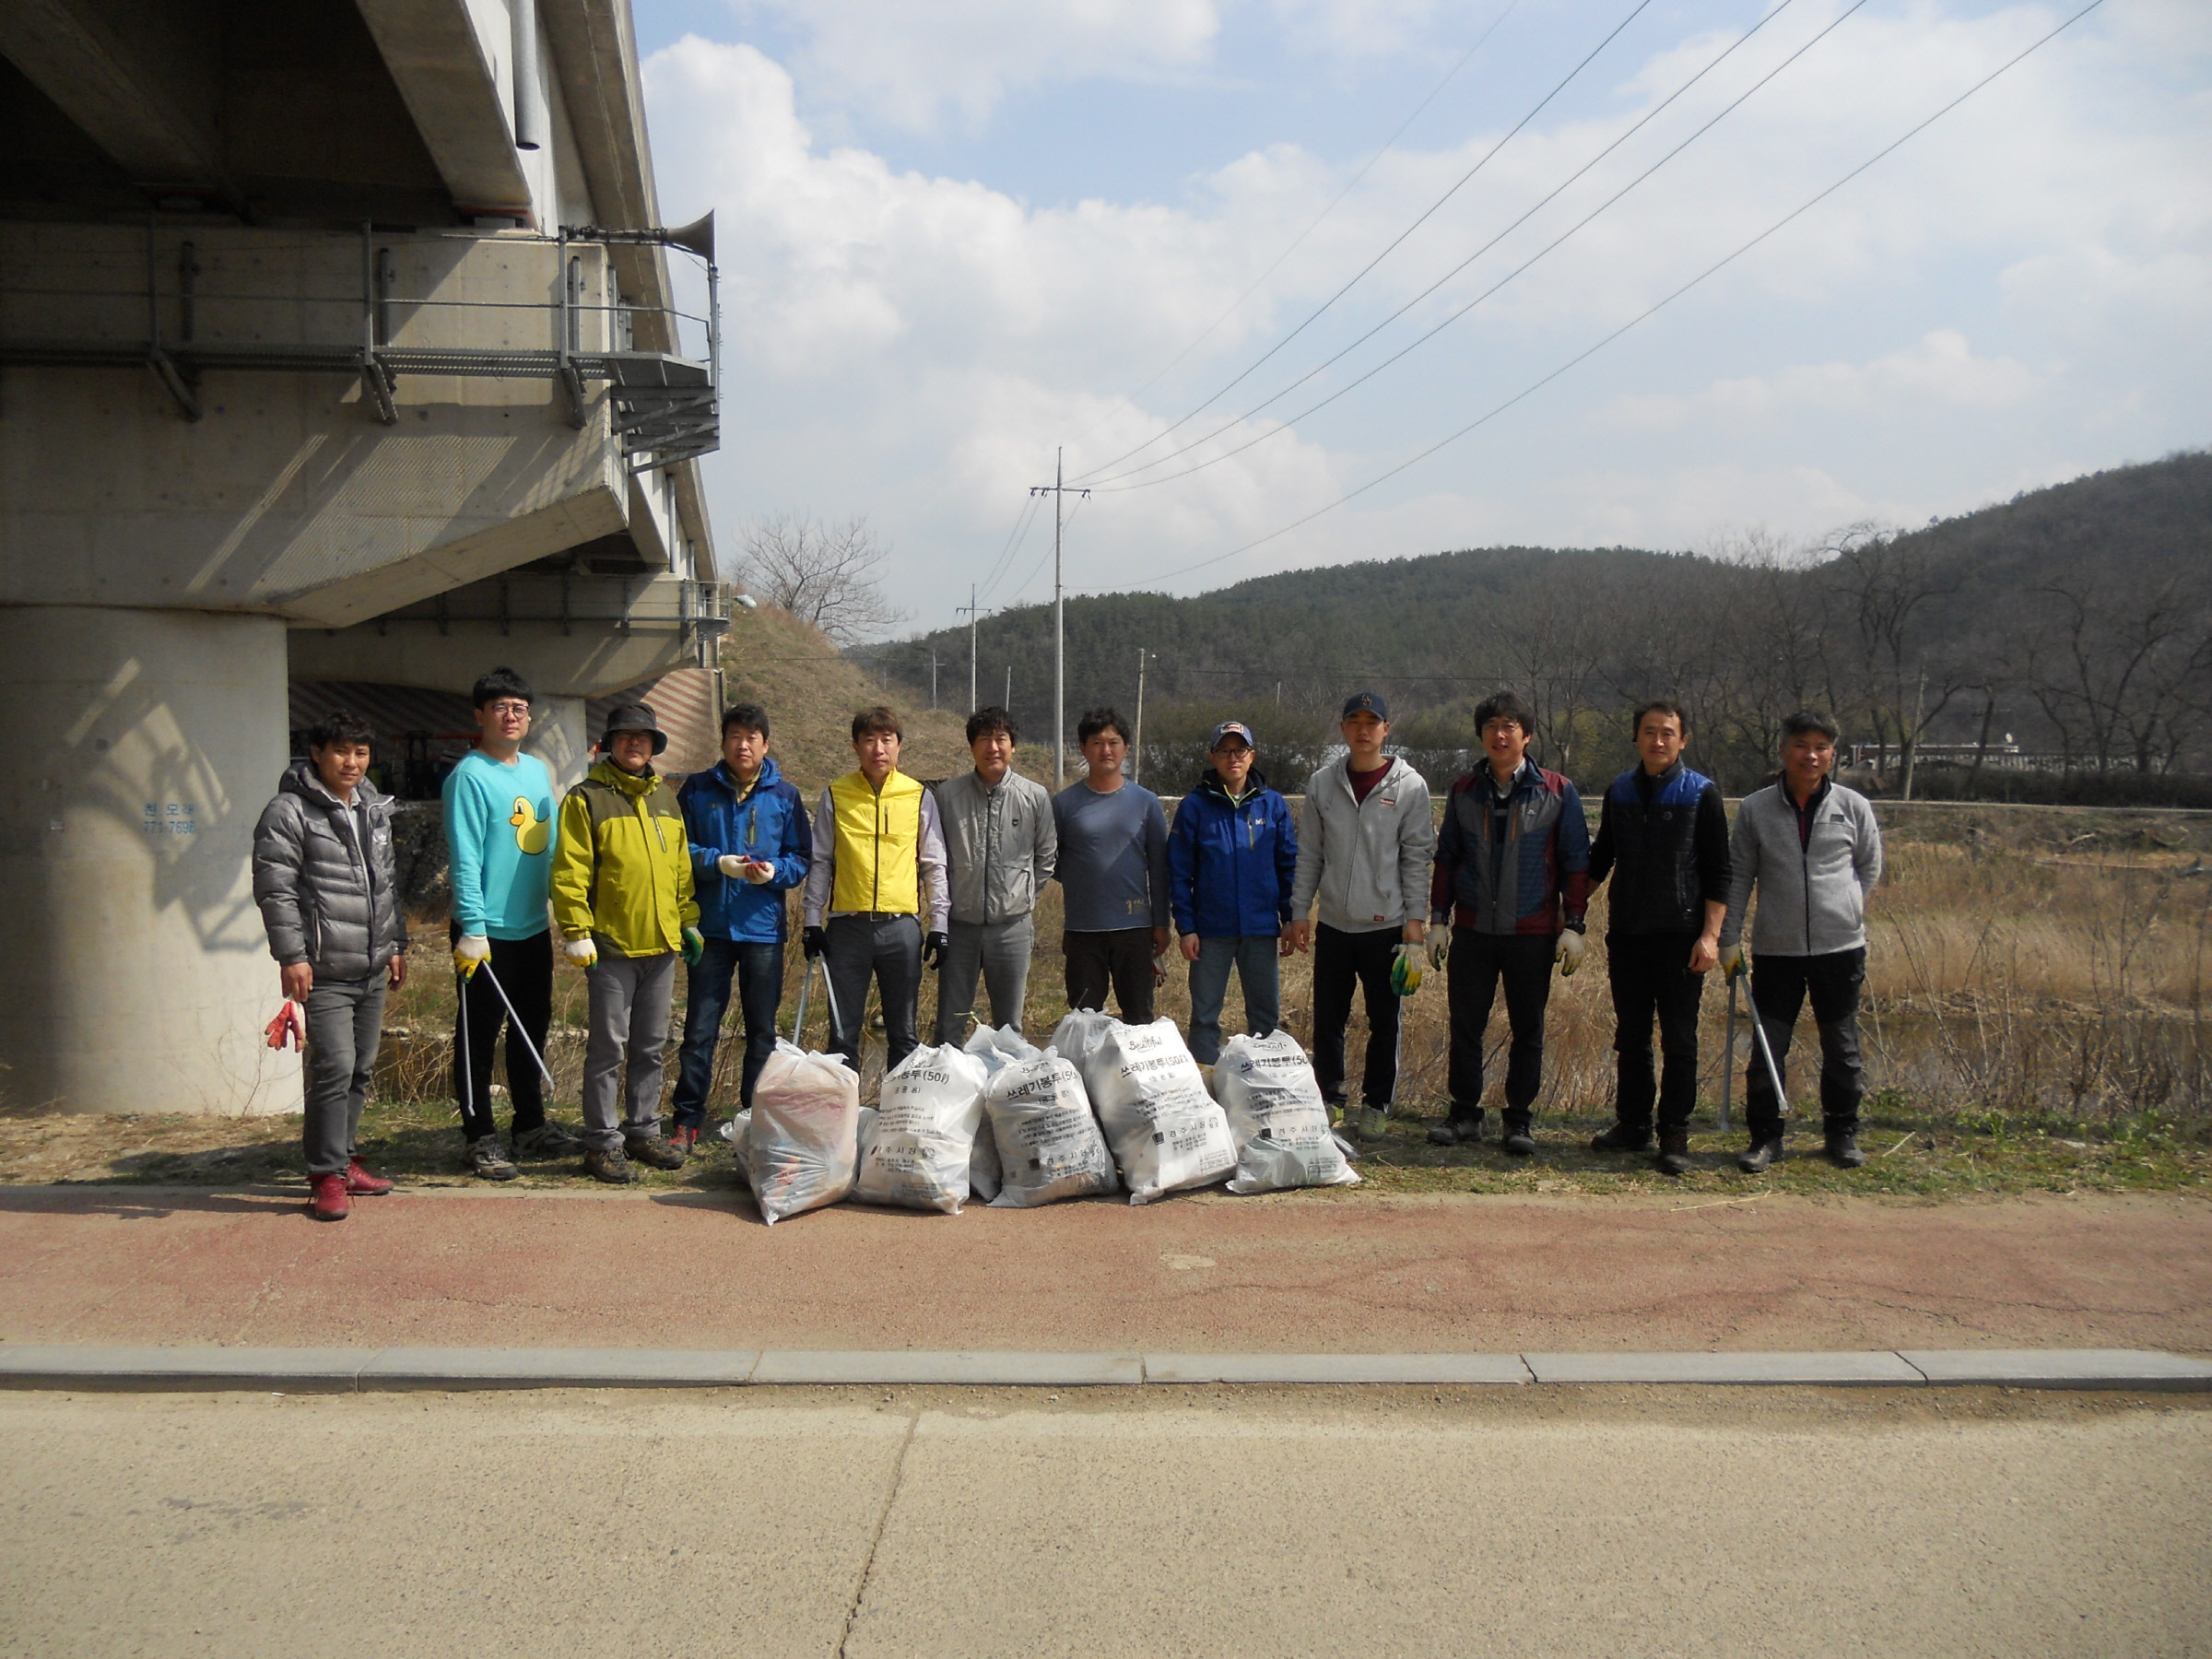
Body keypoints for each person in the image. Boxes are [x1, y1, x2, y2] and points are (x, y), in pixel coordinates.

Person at [252, 710, 408, 1221]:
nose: (352, 762)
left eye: (361, 753)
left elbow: (385, 883)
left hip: (371, 962)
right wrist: (291, 956)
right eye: (341, 751)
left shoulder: (373, 807)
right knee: (333, 1068)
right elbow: (275, 890)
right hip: (324, 968)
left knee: (361, 1068)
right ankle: (324, 1175)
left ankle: (343, 1162)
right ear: (317, 753)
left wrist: (397, 943)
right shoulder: (290, 811)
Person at [1426, 690, 1590, 1157]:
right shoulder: (1463, 791)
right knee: (1465, 1025)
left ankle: (1519, 1119)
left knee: (1528, 1028)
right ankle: (1464, 1114)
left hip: (1532, 932)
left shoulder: (1557, 791)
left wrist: (1574, 924)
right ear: (1481, 735)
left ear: (1527, 735)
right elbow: (1447, 858)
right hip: (1474, 930)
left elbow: (1576, 861)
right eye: (1492, 726)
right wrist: (1439, 920)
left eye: (1509, 726)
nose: (1500, 735)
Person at [1718, 710, 1884, 1172]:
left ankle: (1841, 1133)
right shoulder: (1755, 809)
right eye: (1801, 745)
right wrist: (1728, 939)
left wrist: (1848, 907)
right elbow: (1739, 877)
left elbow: (1869, 866)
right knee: (1769, 1046)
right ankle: (1766, 1139)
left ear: (1832, 753)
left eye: (1821, 747)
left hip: (1841, 948)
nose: (1810, 755)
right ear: (1783, 751)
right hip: (1776, 949)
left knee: (1842, 1044)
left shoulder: (1853, 807)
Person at [550, 701, 700, 1183]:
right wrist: (576, 930)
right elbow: (570, 870)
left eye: (644, 737)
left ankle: (642, 1130)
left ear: (653, 746)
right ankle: (601, 1143)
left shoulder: (665, 799)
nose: (635, 744)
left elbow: (680, 870)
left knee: (652, 1045)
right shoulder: (586, 798)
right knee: (608, 1049)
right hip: (611, 947)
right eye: (625, 736)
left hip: (661, 946)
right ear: (609, 744)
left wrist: (688, 922)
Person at [1585, 699, 1731, 1175]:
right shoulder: (1620, 791)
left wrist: (1710, 937)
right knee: (1630, 1037)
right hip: (1627, 933)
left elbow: (1718, 871)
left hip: (1680, 936)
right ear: (1636, 738)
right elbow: (1601, 857)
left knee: (1680, 1040)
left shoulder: (1700, 794)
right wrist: (1569, 912)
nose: (1658, 740)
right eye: (1649, 732)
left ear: (1683, 740)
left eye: (1668, 733)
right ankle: (1632, 1124)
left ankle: (1674, 1133)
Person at [442, 666, 577, 1181]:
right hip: (485, 934)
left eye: (519, 707)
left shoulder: (536, 771)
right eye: (500, 706)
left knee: (530, 1029)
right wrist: (472, 927)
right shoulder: (469, 777)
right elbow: (465, 858)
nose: (512, 715)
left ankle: (530, 1124)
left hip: (530, 928)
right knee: (477, 1036)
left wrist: (566, 915)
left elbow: (551, 847)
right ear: (480, 715)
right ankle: (479, 1136)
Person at [1287, 691, 1434, 1140]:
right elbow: (1309, 852)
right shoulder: (1322, 783)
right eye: (1355, 721)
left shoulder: (1409, 786)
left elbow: (1416, 856)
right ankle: (1330, 1098)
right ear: (1343, 728)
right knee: (1328, 1015)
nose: (1364, 730)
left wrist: (1415, 921)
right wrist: (1299, 911)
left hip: (1385, 923)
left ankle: (1375, 1104)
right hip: (1333, 920)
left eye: (1374, 722)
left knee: (1383, 1019)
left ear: (1386, 729)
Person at [670, 701, 813, 1154]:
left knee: (762, 1032)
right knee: (699, 1031)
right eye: (735, 735)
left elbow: (800, 858)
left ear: (766, 745)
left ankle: (752, 1122)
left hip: (762, 930)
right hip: (710, 928)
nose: (743, 744)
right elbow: (677, 849)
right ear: (724, 742)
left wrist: (775, 874)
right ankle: (687, 1120)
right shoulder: (696, 790)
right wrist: (717, 864)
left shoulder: (784, 796)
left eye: (753, 736)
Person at [801, 706, 949, 1077]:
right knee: (842, 1034)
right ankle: (843, 1123)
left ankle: (897, 1122)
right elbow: (821, 861)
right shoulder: (837, 794)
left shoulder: (917, 796)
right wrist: (810, 921)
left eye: (887, 740)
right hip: (847, 929)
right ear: (855, 746)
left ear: (899, 746)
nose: (878, 749)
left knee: (904, 1034)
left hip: (901, 929)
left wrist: (939, 925)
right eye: (869, 740)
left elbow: (934, 863)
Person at [1168, 720, 1300, 1065]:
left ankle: (1262, 1087)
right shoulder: (1194, 807)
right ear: (1213, 756)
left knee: (1265, 1018)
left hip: (1260, 928)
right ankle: (1206, 1087)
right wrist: (1187, 927)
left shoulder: (1272, 806)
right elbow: (1179, 872)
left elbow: (1288, 866)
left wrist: (1290, 918)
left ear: (1252, 756)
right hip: (1211, 930)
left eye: (1239, 750)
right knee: (1205, 1017)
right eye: (1224, 750)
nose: (1233, 758)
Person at [933, 705, 1055, 1041]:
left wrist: (1023, 895)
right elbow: (934, 857)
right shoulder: (948, 796)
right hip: (960, 929)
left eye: (1001, 738)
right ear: (972, 746)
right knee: (950, 1025)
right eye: (984, 739)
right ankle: (951, 1090)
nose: (993, 747)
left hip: (1012, 929)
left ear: (1013, 746)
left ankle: (1007, 1091)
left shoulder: (1034, 796)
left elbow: (1046, 856)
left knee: (1009, 1028)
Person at [1053, 707, 1171, 1025]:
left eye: (1114, 742)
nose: (1106, 750)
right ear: (1082, 748)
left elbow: (1159, 869)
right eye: (1096, 742)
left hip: (1134, 930)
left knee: (1140, 1021)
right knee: (1084, 1020)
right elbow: (1051, 860)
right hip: (1082, 930)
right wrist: (1083, 880)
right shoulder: (1063, 804)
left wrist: (1161, 924)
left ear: (1126, 749)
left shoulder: (1145, 802)